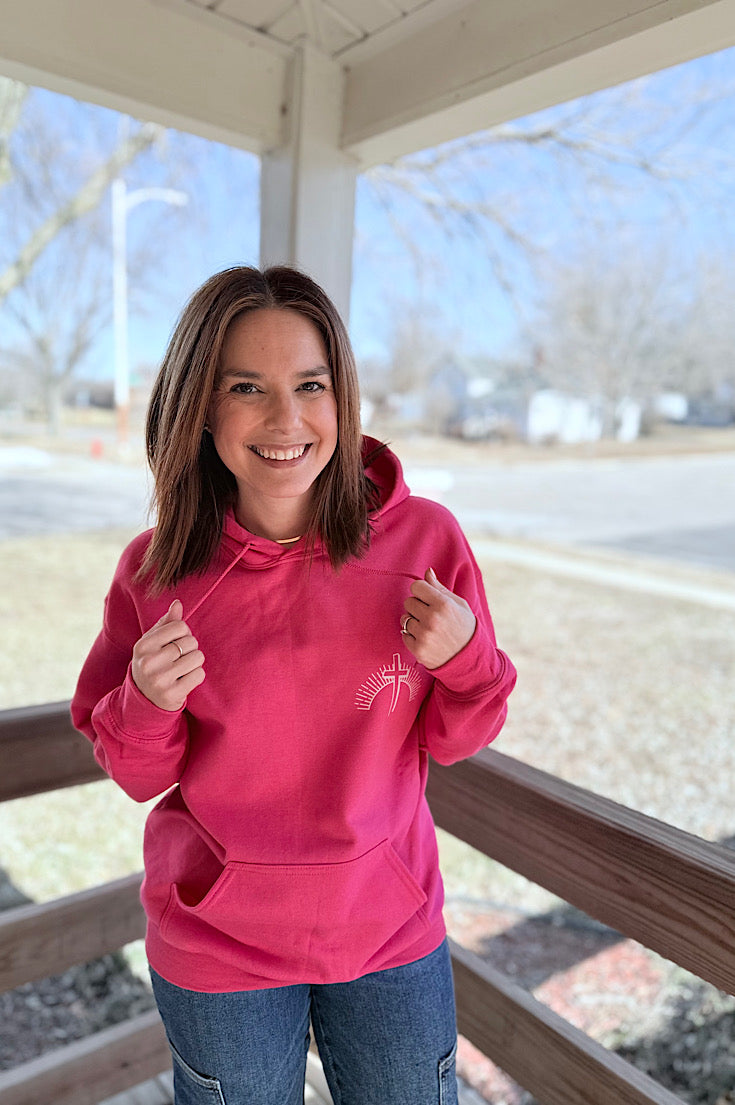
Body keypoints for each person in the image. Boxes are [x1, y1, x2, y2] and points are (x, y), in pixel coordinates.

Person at [71, 265, 516, 1105]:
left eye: (310, 384)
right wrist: (144, 700)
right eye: (247, 387)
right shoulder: (156, 569)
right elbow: (135, 773)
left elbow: (462, 733)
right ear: (202, 407)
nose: (286, 419)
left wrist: (462, 660)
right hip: (220, 944)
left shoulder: (423, 539)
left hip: (388, 931)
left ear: (341, 398)